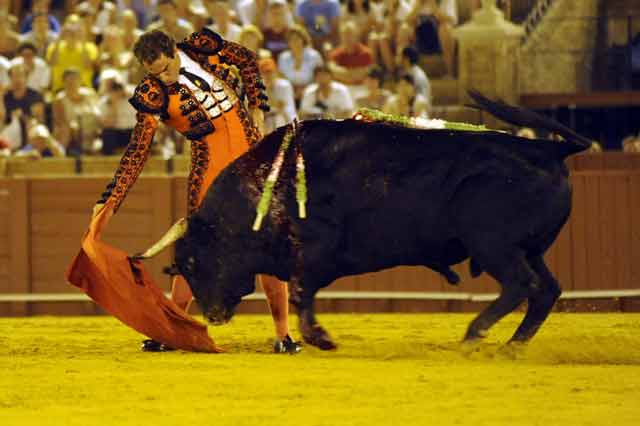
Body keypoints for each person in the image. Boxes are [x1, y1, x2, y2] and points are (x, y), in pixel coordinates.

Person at [90, 28, 300, 353]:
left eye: (166, 68)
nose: (164, 78)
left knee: (270, 244)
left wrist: (258, 106)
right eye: (155, 74)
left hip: (253, 160)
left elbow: (245, 59)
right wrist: (110, 200)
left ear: (174, 51)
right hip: (210, 173)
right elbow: (138, 150)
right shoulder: (153, 93)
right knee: (195, 250)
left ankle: (283, 335)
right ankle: (171, 332)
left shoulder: (201, 46)